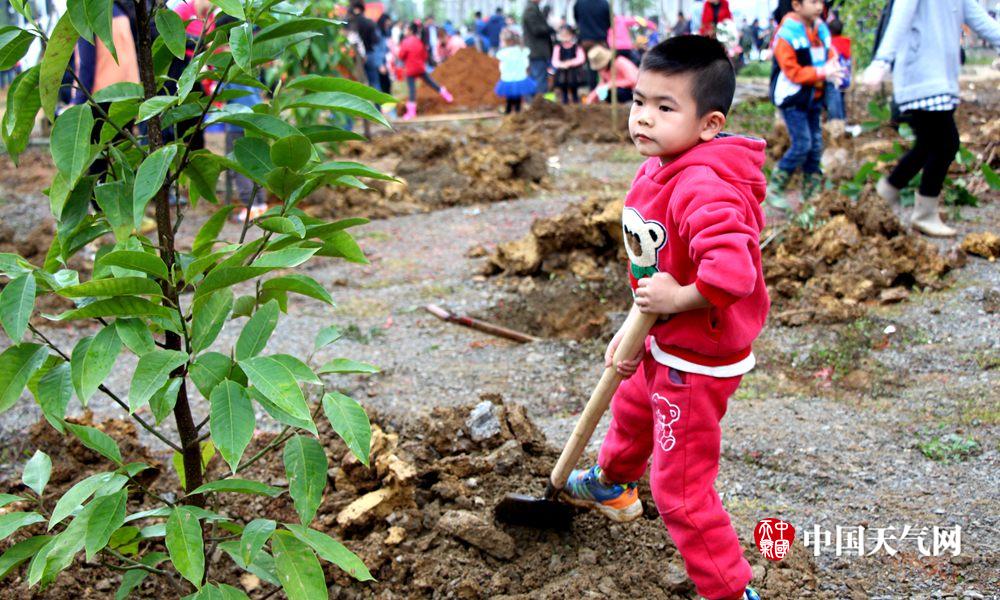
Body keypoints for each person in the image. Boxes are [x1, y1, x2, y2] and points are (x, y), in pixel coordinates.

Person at [561, 34, 766, 600]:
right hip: (661, 337)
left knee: (680, 492)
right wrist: (634, 328)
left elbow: (733, 275)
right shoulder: (658, 168)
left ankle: (729, 590)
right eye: (638, 101)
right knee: (630, 411)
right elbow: (655, 266)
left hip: (695, 360)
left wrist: (676, 301)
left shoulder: (703, 185)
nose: (643, 118)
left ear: (710, 124)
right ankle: (612, 483)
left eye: (665, 107)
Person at [863, 0, 1000, 237]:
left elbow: (982, 22)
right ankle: (921, 212)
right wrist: (881, 61)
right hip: (920, 77)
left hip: (941, 78)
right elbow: (900, 18)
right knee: (946, 144)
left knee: (928, 145)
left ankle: (887, 193)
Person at [768, 0, 843, 201]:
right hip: (793, 99)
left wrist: (833, 65)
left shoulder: (820, 29)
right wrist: (821, 72)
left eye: (821, 2)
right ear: (797, 5)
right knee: (802, 144)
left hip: (813, 97)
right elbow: (792, 72)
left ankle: (811, 192)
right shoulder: (787, 34)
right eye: (813, 1)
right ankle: (774, 188)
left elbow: (829, 51)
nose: (819, 7)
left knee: (815, 145)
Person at [397, 21, 453, 120]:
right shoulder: (420, 41)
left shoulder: (406, 42)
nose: (405, 31)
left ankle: (411, 112)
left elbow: (401, 55)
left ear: (410, 31)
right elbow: (425, 56)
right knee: (431, 82)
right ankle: (447, 95)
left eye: (406, 29)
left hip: (410, 69)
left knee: (412, 90)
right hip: (420, 68)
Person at [494, 29, 536, 113]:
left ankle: (508, 110)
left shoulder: (503, 53)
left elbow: (502, 66)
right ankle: (517, 110)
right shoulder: (522, 51)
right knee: (518, 95)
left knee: (510, 95)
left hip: (507, 77)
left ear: (506, 41)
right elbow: (526, 64)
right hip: (520, 76)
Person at [573, 0, 611, 87]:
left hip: (586, 41)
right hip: (601, 41)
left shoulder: (579, 3)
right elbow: (609, 22)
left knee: (591, 68)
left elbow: (577, 19)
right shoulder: (604, 3)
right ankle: (604, 91)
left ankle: (593, 89)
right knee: (605, 67)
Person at [348, 0, 383, 91]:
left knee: (360, 83)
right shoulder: (370, 22)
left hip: (357, 57)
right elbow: (377, 40)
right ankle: (377, 100)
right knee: (374, 82)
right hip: (370, 53)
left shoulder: (352, 23)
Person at [522, 0, 553, 98]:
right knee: (540, 78)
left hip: (535, 50)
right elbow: (536, 29)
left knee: (536, 76)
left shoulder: (532, 8)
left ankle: (532, 101)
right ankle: (539, 102)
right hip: (537, 50)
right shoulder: (530, 10)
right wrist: (550, 29)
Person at [551, 25, 586, 103]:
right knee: (564, 91)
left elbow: (581, 58)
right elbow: (554, 61)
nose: (565, 37)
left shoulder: (576, 47)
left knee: (574, 91)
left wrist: (570, 63)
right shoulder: (557, 47)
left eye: (567, 35)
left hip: (574, 74)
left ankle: (576, 104)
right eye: (562, 35)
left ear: (572, 35)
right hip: (562, 74)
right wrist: (562, 64)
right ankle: (565, 104)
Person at [824, 18, 850, 122]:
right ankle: (843, 118)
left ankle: (836, 120)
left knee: (833, 96)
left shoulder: (830, 43)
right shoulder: (846, 42)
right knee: (841, 97)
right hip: (845, 75)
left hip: (834, 74)